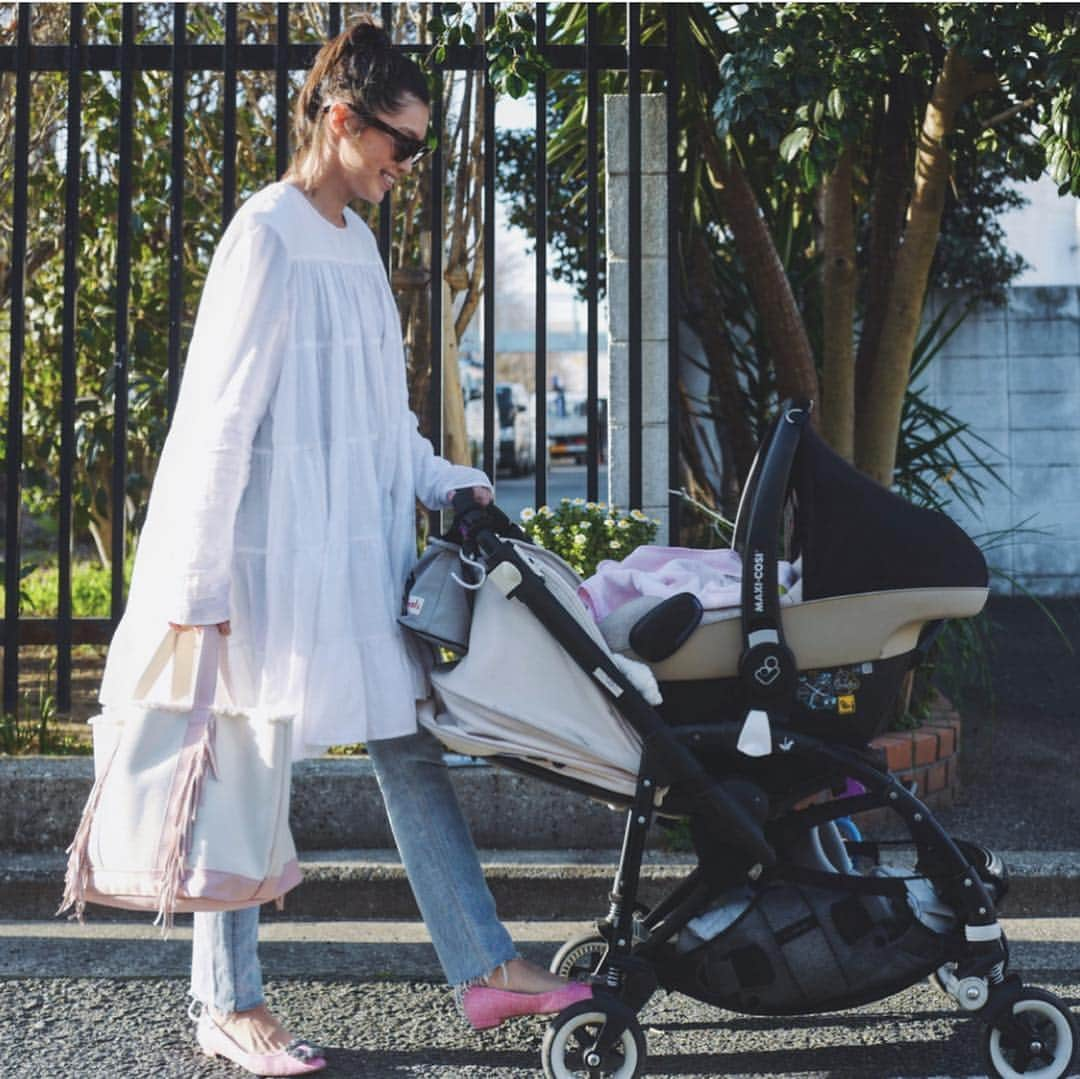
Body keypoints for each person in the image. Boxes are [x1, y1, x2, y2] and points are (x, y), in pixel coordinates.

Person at [98, 17, 588, 1076]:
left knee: (409, 746)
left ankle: (485, 964)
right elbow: (219, 421)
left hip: (353, 552)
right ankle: (227, 1002)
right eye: (397, 145)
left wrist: (440, 477)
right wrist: (198, 580)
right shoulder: (264, 234)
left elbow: (378, 420)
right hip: (266, 555)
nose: (405, 168)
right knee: (242, 754)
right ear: (339, 119)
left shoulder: (357, 246)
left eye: (413, 149)